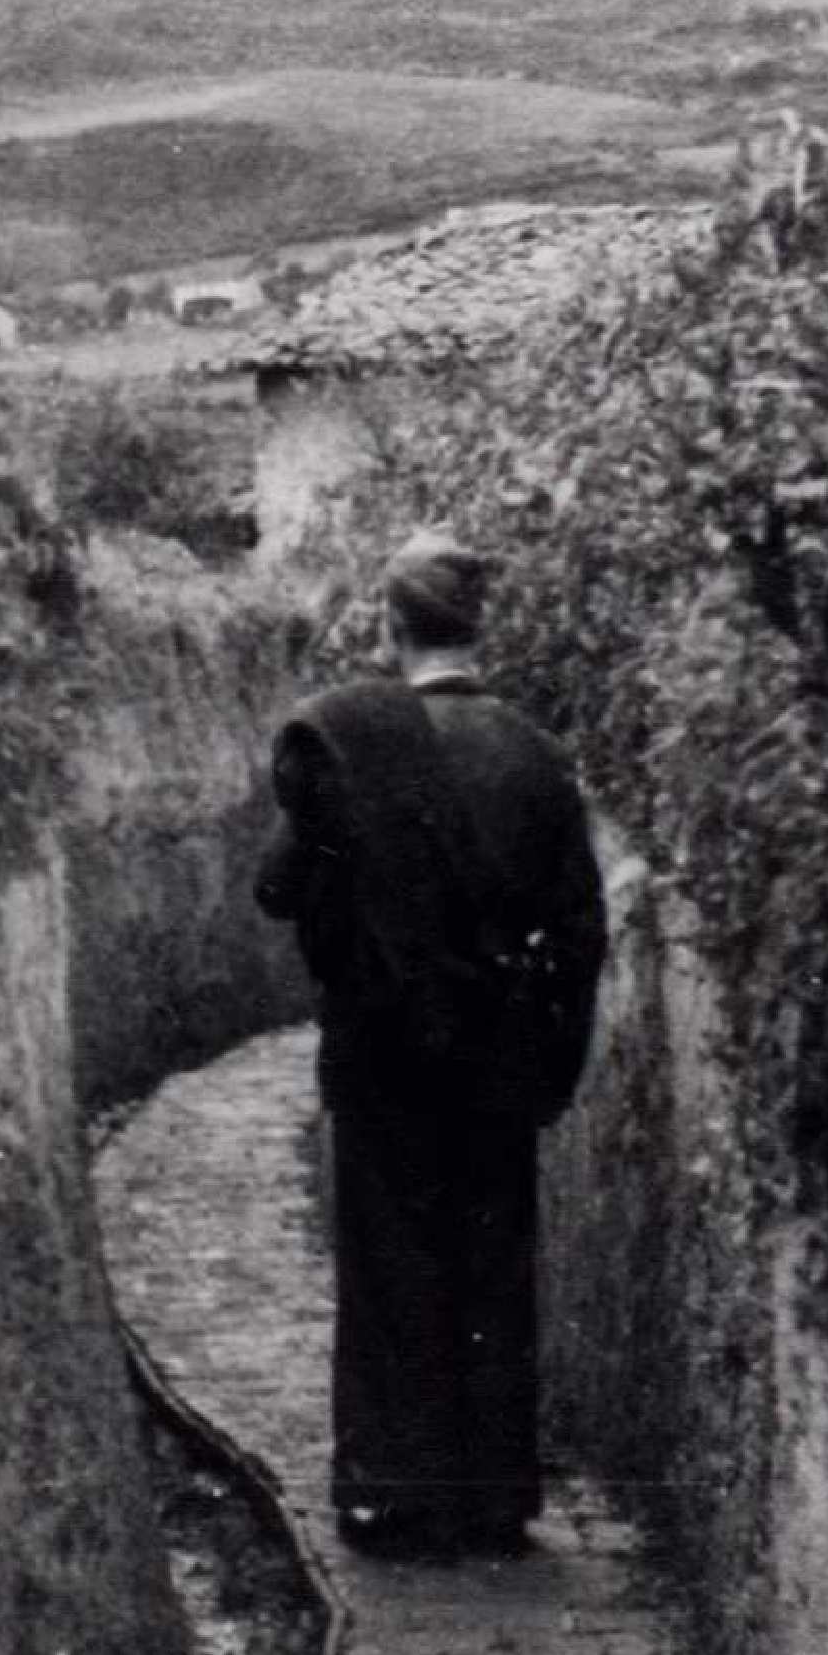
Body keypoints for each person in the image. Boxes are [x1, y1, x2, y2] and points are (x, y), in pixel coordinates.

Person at [251, 528, 610, 1559]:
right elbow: (578, 928)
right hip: (496, 1051)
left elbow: (277, 887)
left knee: (387, 1262)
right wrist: (555, 1060)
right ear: (479, 623)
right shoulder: (534, 753)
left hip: (379, 1047)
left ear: (388, 623)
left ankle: (391, 1494)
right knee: (491, 1260)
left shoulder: (349, 743)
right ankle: (493, 1497)